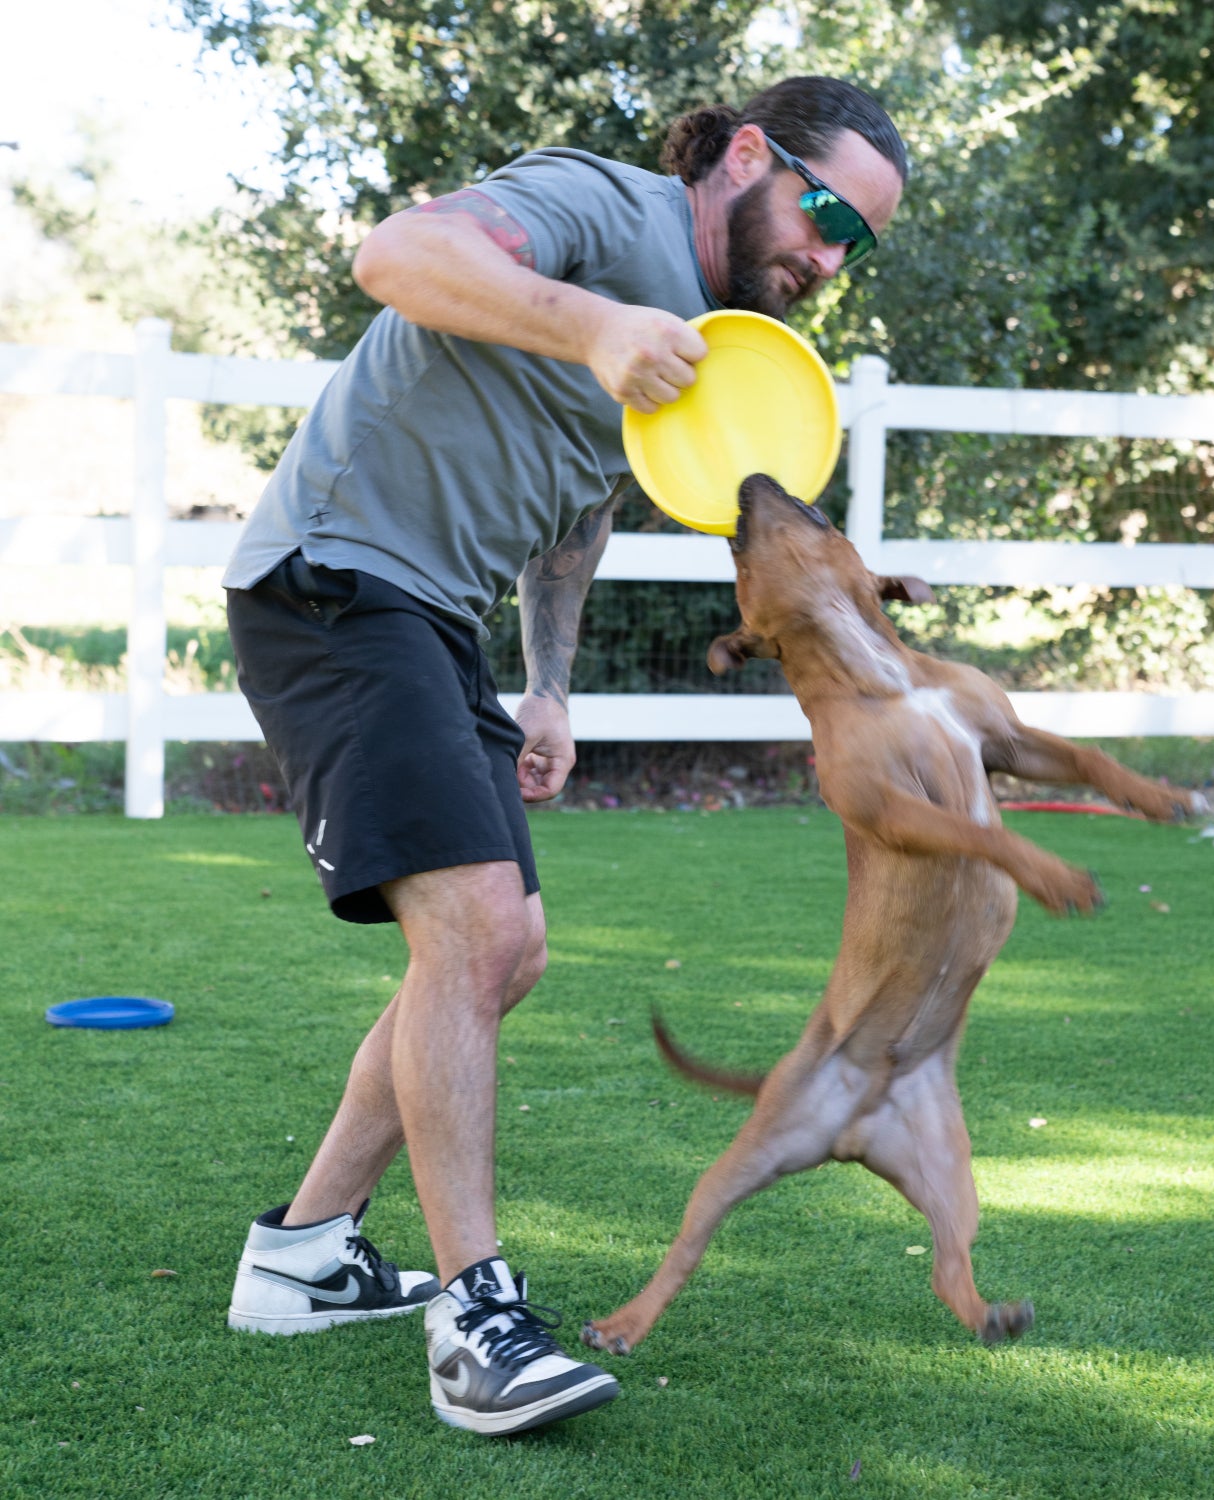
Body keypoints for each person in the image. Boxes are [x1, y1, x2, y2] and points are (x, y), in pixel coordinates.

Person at [221, 74, 907, 1437]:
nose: (828, 259)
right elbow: (398, 254)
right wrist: (595, 325)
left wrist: (548, 684)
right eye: (826, 213)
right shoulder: (608, 209)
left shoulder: (707, 341)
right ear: (752, 157)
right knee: (469, 941)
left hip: (434, 619)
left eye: (856, 246)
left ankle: (304, 1254)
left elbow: (576, 512)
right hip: (333, 583)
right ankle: (475, 1317)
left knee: (505, 951)